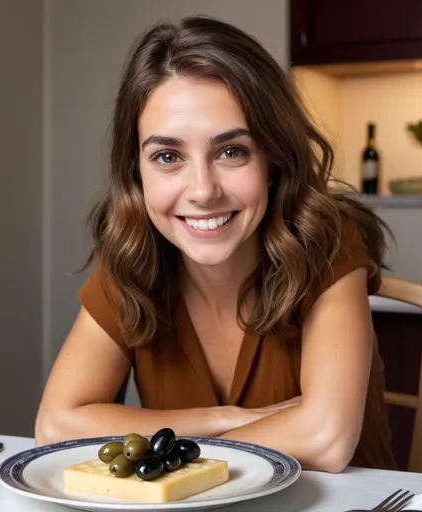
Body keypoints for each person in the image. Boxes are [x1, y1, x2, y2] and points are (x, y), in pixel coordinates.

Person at [35, 15, 397, 473]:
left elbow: (324, 439)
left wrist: (174, 444)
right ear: (136, 173)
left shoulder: (327, 240)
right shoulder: (133, 255)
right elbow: (56, 425)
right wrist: (221, 420)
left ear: (273, 158)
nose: (203, 191)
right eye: (168, 157)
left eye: (231, 151)